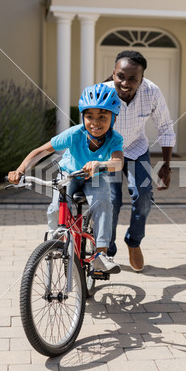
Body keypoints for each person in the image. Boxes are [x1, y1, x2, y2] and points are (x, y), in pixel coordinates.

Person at [8, 83, 124, 274]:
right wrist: (20, 169)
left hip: (95, 176)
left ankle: (100, 255)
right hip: (69, 174)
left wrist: (100, 165)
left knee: (103, 202)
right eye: (89, 116)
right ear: (83, 117)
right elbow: (41, 151)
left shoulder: (115, 138)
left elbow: (118, 162)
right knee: (56, 207)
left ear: (113, 118)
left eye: (102, 117)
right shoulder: (75, 133)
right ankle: (56, 242)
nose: (95, 122)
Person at [104, 50, 176, 272]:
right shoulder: (101, 93)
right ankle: (107, 250)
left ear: (141, 78)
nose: (125, 83)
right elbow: (88, 129)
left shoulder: (151, 92)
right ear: (113, 73)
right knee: (112, 201)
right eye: (121, 76)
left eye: (133, 78)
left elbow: (165, 127)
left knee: (144, 196)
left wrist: (166, 165)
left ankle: (134, 242)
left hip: (136, 149)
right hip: (108, 151)